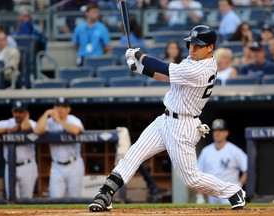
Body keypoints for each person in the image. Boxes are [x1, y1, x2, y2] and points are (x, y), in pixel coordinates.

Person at [88, 25, 246, 212]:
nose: (192, 49)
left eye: (198, 45)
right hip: (165, 119)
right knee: (133, 154)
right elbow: (168, 77)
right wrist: (140, 69)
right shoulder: (193, 59)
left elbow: (164, 67)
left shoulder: (202, 69)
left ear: (210, 47)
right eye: (191, 44)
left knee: (191, 179)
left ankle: (234, 191)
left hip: (184, 125)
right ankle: (105, 194)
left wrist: (140, 57)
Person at [35, 97, 85, 198]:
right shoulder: (49, 122)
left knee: (75, 199)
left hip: (74, 164)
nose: (60, 109)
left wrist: (59, 121)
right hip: (57, 166)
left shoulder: (74, 120)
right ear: (54, 108)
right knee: (55, 198)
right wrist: (46, 114)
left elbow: (75, 130)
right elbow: (37, 131)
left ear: (68, 109)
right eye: (58, 106)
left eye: (63, 106)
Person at [196, 119, 248, 204]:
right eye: (215, 130)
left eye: (220, 130)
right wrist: (200, 195)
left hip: (229, 194)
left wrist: (239, 185)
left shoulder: (234, 150)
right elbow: (197, 174)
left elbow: (247, 169)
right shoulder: (206, 151)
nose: (217, 133)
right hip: (212, 194)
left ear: (226, 133)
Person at [0, 100, 38, 199]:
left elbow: (26, 128)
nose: (18, 114)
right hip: (10, 166)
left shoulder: (32, 123)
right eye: (16, 111)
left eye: (21, 112)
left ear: (26, 113)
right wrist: (7, 130)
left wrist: (26, 119)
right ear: (12, 112)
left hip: (27, 166)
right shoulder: (7, 123)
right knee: (11, 198)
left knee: (27, 199)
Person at [72, 2, 111, 66]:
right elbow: (76, 44)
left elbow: (107, 46)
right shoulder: (79, 28)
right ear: (87, 13)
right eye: (93, 12)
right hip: (82, 58)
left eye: (97, 12)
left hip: (97, 58)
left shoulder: (102, 28)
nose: (96, 15)